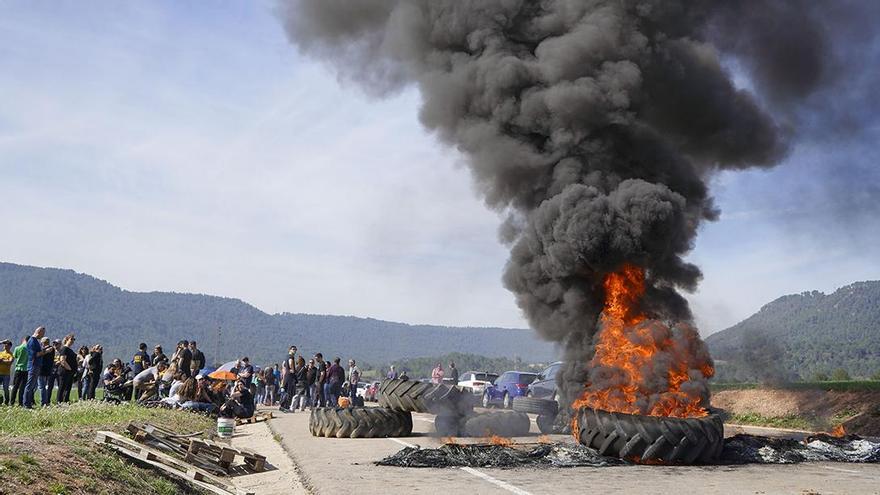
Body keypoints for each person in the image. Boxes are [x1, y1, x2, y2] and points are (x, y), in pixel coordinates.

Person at [24, 326, 48, 408]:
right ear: (39, 332)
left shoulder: (35, 341)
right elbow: (35, 355)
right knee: (30, 386)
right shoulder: (32, 341)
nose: (43, 335)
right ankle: (26, 404)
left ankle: (28, 404)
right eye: (43, 333)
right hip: (33, 366)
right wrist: (45, 351)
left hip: (36, 365)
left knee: (32, 386)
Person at [56, 334, 77, 403]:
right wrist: (69, 369)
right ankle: (59, 401)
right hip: (65, 371)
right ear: (67, 339)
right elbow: (62, 360)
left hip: (70, 372)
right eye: (71, 339)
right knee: (62, 387)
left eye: (74, 339)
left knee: (68, 388)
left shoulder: (69, 349)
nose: (72, 341)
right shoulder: (64, 349)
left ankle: (66, 401)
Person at [10, 336, 28, 406]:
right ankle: (20, 402)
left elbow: (15, 357)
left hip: (18, 369)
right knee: (22, 387)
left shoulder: (17, 348)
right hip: (26, 369)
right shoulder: (29, 349)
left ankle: (12, 402)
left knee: (15, 386)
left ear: (23, 340)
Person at [38, 337, 56, 407]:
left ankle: (43, 402)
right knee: (44, 387)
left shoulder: (48, 349)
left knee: (42, 387)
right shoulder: (52, 349)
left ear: (43, 342)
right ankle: (45, 401)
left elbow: (41, 353)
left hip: (42, 370)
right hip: (48, 370)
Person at [0, 340, 13, 405]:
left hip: (6, 374)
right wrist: (6, 361)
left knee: (6, 389)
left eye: (7, 345)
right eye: (4, 345)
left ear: (10, 346)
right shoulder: (1, 353)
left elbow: (10, 362)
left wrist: (2, 361)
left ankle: (7, 401)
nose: (5, 346)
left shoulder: (10, 354)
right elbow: (7, 362)